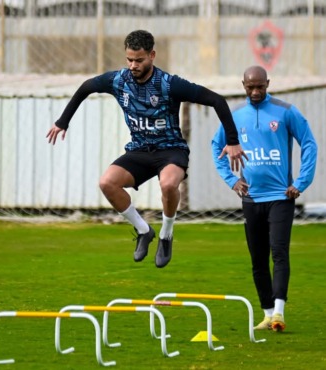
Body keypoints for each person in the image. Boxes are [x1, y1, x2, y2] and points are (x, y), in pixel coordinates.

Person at [47, 30, 247, 268]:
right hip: (139, 150)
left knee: (168, 184)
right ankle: (144, 231)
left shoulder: (170, 84)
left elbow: (217, 100)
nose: (133, 65)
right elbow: (85, 88)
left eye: (139, 60)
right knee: (107, 183)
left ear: (152, 55)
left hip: (171, 150)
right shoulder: (118, 81)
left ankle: (166, 234)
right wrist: (63, 121)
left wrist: (232, 140)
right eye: (129, 59)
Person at [211, 65, 317, 330]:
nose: (256, 91)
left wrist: (301, 182)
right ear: (243, 85)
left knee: (279, 253)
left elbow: (309, 143)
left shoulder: (285, 111)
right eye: (250, 87)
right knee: (257, 259)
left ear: (268, 83)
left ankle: (280, 312)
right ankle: (268, 314)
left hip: (281, 196)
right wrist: (232, 180)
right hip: (251, 199)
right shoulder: (235, 117)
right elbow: (216, 146)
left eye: (260, 86)